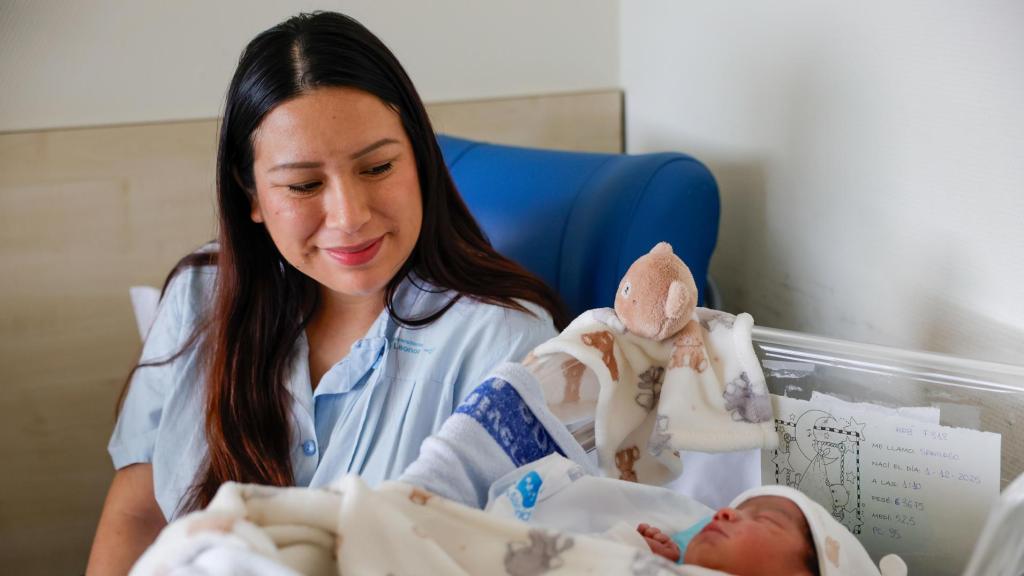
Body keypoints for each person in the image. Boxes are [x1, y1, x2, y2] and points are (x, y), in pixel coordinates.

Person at [86, 11, 566, 574]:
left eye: (379, 167)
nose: (350, 216)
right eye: (304, 185)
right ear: (253, 198)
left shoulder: (502, 341)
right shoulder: (199, 295)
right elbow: (139, 515)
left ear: (419, 161)